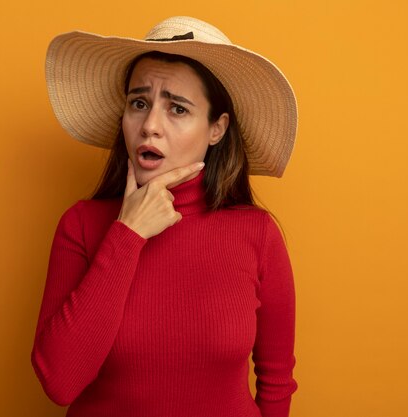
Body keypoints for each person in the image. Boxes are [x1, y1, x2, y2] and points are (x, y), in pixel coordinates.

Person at [31, 16, 298, 417]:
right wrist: (127, 233)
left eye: (177, 108)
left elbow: (276, 382)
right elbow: (60, 382)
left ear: (217, 129)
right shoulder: (82, 226)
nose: (150, 126)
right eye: (139, 103)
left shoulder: (256, 235)